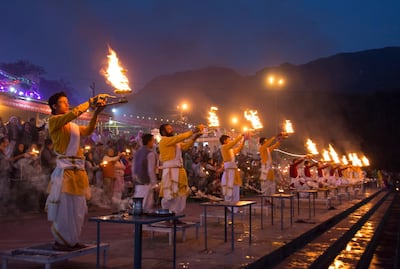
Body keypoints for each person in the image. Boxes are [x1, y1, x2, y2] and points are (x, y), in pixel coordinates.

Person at [45, 91, 107, 251]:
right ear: (54, 106)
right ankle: (62, 241)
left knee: (78, 209)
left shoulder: (73, 126)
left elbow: (88, 131)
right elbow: (73, 114)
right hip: (65, 172)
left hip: (78, 172)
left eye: (67, 101)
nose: (67, 104)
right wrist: (89, 102)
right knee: (64, 209)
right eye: (63, 102)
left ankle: (73, 240)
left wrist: (95, 113)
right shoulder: (54, 121)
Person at [158, 123, 204, 216]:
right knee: (169, 194)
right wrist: (193, 131)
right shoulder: (164, 140)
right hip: (170, 171)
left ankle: (175, 215)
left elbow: (185, 146)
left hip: (179, 171)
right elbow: (179, 137)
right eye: (168, 129)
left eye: (171, 128)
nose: (171, 130)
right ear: (163, 132)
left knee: (181, 194)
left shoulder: (175, 143)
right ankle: (166, 213)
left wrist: (194, 138)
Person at [220, 133, 246, 210]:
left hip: (233, 172)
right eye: (228, 139)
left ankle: (235, 209)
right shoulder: (224, 147)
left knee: (236, 189)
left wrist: (244, 140)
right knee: (229, 190)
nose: (230, 140)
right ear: (224, 141)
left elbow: (239, 148)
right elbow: (233, 143)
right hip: (229, 172)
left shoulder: (230, 150)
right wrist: (241, 135)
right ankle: (228, 207)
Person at [133, 133, 158, 212]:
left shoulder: (137, 152)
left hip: (138, 181)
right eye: (153, 141)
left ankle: (139, 223)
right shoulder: (150, 154)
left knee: (138, 206)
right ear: (149, 142)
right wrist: (154, 183)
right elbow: (150, 170)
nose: (154, 143)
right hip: (146, 182)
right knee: (146, 205)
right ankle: (145, 224)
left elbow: (133, 167)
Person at [258, 133, 284, 199]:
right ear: (262, 142)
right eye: (265, 141)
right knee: (265, 185)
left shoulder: (267, 149)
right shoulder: (261, 148)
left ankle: (271, 199)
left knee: (272, 185)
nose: (266, 142)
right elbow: (268, 144)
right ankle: (265, 199)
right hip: (265, 170)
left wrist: (279, 141)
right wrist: (274, 137)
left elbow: (275, 146)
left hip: (270, 169)